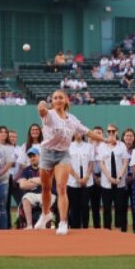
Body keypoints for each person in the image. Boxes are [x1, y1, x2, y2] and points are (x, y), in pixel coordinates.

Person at [33, 89, 102, 235]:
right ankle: (46, 214)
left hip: (63, 154)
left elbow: (87, 131)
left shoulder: (73, 120)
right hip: (46, 153)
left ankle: (63, 222)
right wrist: (41, 105)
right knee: (46, 187)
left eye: (60, 97)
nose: (58, 100)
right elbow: (42, 112)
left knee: (61, 187)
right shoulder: (49, 115)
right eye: (55, 98)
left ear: (66, 100)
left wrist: (105, 139)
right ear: (52, 101)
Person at [97, 125, 130, 232]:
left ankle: (118, 228)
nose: (111, 133)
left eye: (113, 131)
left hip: (119, 182)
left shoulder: (122, 145)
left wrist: (119, 176)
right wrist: (109, 177)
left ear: (117, 131)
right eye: (109, 131)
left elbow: (125, 162)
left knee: (119, 207)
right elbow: (101, 163)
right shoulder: (102, 146)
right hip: (106, 182)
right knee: (106, 207)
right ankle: (107, 228)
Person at [18, 147, 56, 229]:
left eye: (34, 156)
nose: (32, 158)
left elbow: (46, 181)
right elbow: (22, 185)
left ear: (39, 156)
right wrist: (38, 182)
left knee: (45, 198)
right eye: (30, 157)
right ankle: (29, 225)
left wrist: (31, 180)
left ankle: (45, 224)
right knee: (25, 198)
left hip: (48, 194)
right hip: (33, 194)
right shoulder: (26, 170)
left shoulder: (46, 167)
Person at [66, 129, 94, 228]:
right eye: (76, 131)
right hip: (73, 181)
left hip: (87, 181)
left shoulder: (89, 146)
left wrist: (86, 177)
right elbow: (67, 164)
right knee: (74, 207)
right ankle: (75, 228)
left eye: (80, 131)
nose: (79, 134)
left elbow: (91, 163)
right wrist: (77, 178)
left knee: (85, 206)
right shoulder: (68, 146)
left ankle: (85, 228)